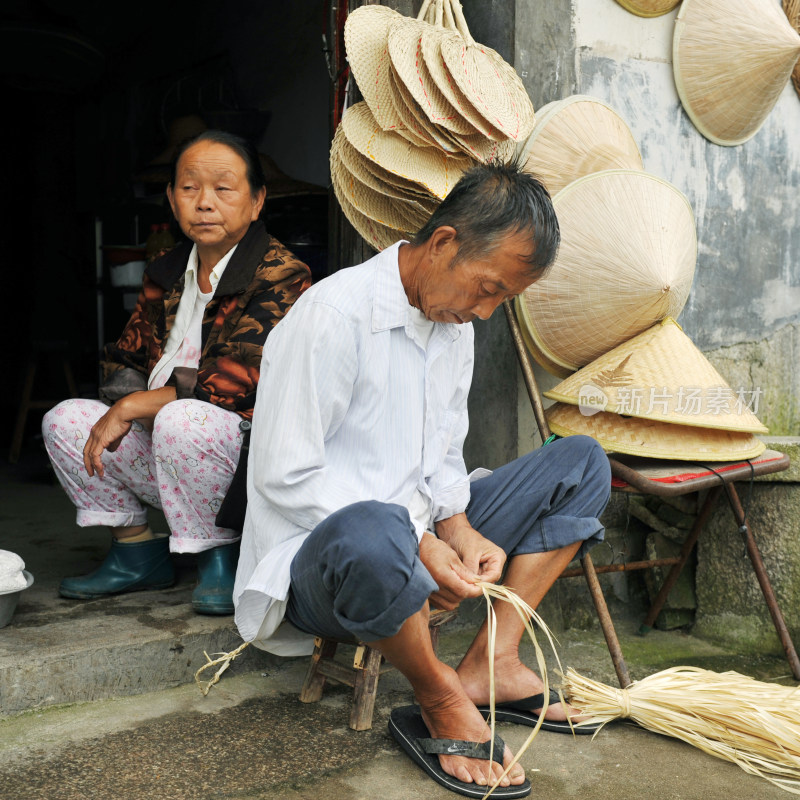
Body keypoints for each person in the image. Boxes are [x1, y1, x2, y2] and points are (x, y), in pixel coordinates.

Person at [233, 162, 611, 798]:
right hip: (323, 563)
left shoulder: (450, 319)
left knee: (581, 462)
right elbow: (283, 477)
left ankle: (493, 663)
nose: (486, 312)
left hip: (406, 536)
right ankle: (438, 694)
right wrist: (417, 542)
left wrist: (456, 525)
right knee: (376, 525)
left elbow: (442, 451)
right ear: (444, 244)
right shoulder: (332, 315)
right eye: (487, 288)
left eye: (503, 300)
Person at [43, 130, 312, 615]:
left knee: (183, 419)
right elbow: (123, 359)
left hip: (244, 464)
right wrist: (128, 408)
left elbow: (234, 382)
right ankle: (137, 551)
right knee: (65, 419)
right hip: (170, 442)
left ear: (256, 202)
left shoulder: (281, 275)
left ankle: (218, 552)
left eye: (223, 189)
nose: (204, 203)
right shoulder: (165, 271)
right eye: (189, 189)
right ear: (171, 199)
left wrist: (136, 406)